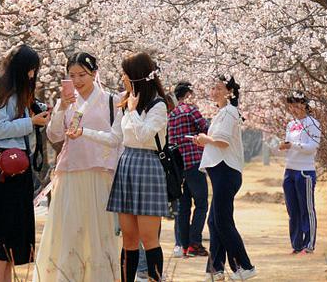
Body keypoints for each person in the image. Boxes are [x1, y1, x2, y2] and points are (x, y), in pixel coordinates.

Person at [0, 44, 51, 282]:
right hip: (1, 170)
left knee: (12, 234)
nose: (32, 75)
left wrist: (36, 114)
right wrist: (31, 122)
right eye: (30, 70)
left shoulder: (18, 94)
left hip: (18, 168)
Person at [34, 52, 121, 281]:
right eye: (72, 75)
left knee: (98, 232)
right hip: (70, 173)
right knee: (69, 231)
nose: (77, 80)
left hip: (99, 173)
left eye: (82, 74)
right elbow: (54, 134)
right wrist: (61, 107)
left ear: (94, 73)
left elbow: (116, 139)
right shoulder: (67, 101)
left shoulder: (110, 101)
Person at [105, 52, 172, 282]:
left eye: (125, 73)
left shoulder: (158, 105)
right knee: (129, 239)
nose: (122, 77)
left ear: (136, 76)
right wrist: (82, 133)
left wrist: (133, 110)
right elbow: (115, 137)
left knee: (149, 238)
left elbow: (144, 135)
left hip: (149, 166)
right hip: (127, 164)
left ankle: (154, 279)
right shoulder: (126, 102)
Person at [194, 76, 257, 280]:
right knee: (214, 221)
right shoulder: (223, 112)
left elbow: (222, 142)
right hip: (221, 172)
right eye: (212, 87)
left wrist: (205, 140)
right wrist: (205, 140)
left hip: (226, 172)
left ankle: (245, 266)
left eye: (219, 88)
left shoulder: (230, 112)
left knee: (222, 221)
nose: (214, 91)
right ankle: (216, 269)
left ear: (229, 92)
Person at [167, 80, 210, 258]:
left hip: (178, 166)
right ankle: (195, 243)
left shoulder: (170, 115)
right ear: (187, 94)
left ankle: (184, 245)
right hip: (194, 162)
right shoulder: (190, 109)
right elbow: (205, 129)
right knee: (201, 204)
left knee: (184, 206)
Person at [280, 94, 321, 255]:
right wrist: (284, 146)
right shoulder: (291, 124)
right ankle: (296, 245)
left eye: (296, 105)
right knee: (293, 210)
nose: (293, 109)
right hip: (289, 170)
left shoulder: (313, 123)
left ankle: (308, 244)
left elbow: (312, 147)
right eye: (290, 106)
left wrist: (293, 145)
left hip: (305, 171)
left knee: (307, 209)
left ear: (304, 104)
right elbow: (289, 144)